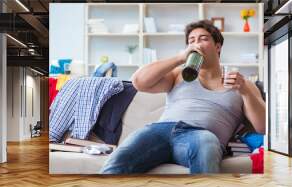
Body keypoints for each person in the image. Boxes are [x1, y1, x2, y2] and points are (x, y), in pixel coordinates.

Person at [100, 20, 265, 174]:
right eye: (191, 41)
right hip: (158, 132)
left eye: (203, 39)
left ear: (218, 46)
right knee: (116, 163)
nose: (197, 44)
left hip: (201, 135)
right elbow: (138, 82)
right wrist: (180, 58)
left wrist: (244, 91)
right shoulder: (177, 75)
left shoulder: (241, 84)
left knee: (206, 143)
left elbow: (263, 127)